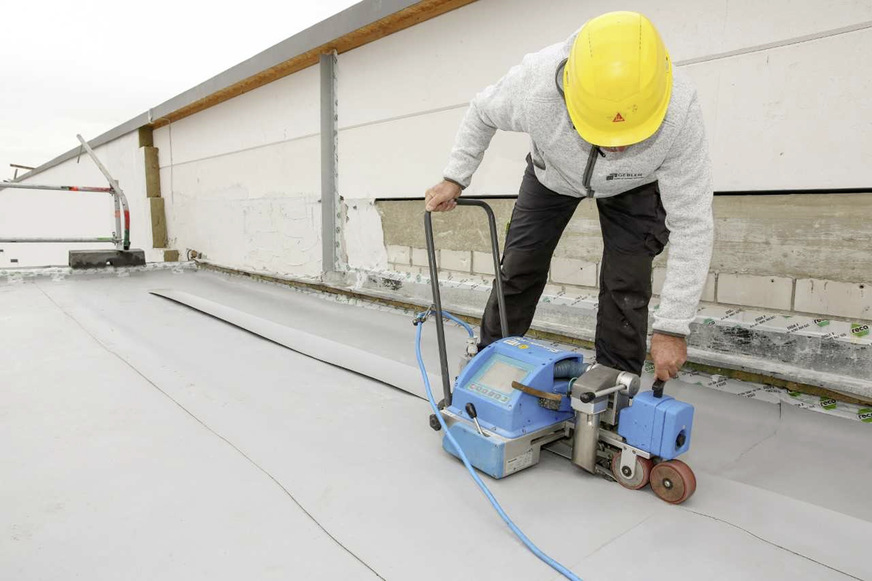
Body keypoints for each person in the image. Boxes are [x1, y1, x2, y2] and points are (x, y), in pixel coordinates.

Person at [424, 11, 713, 382]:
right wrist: (455, 176)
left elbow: (693, 224)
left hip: (635, 185)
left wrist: (673, 326)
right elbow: (482, 111)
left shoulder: (680, 110)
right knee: (519, 266)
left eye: (631, 133)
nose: (618, 146)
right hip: (552, 176)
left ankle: (611, 389)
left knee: (627, 284)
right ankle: (490, 362)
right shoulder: (536, 85)